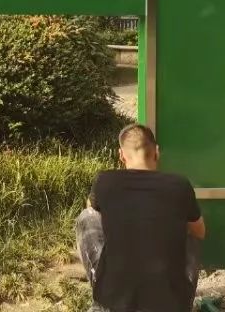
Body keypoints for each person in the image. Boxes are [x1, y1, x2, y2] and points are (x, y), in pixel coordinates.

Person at [75, 123, 206, 312]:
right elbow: (199, 232)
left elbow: (92, 209)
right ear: (157, 152)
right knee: (192, 231)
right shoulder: (180, 184)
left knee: (87, 217)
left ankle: (101, 297)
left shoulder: (105, 180)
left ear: (121, 155)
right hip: (172, 304)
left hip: (114, 300)